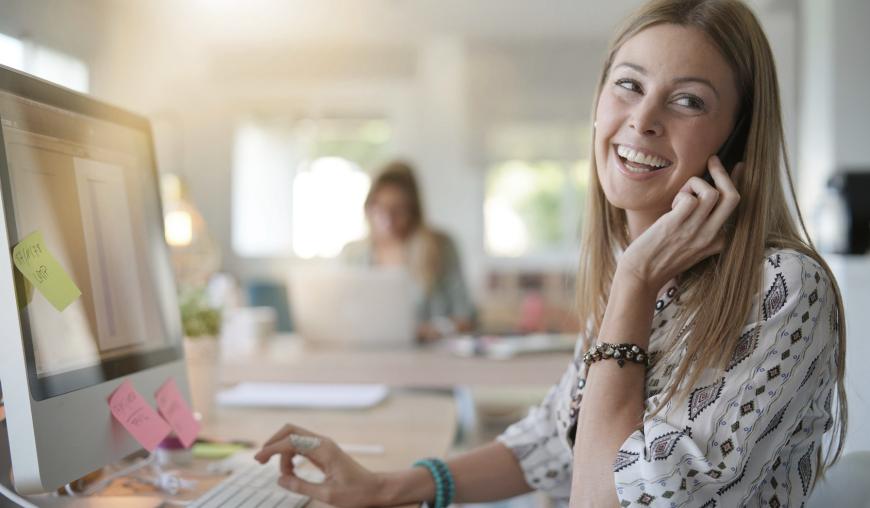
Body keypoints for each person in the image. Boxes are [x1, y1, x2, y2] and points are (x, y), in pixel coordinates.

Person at [255, 0, 847, 506]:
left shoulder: (783, 288)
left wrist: (634, 282)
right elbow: (552, 439)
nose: (642, 120)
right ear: (599, 106)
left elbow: (600, 498)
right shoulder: (641, 279)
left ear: (736, 142)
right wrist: (384, 487)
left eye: (688, 101)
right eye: (629, 85)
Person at [340, 160, 475, 342]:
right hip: (368, 355)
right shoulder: (352, 254)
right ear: (368, 208)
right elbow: (342, 315)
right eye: (380, 208)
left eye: (398, 209)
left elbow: (465, 316)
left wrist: (434, 330)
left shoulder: (441, 247)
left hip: (430, 358)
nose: (388, 219)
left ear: (414, 211)